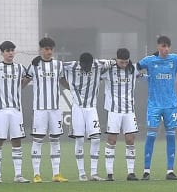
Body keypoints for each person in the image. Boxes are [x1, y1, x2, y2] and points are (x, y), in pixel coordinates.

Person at [137, 35, 177, 180]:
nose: (166, 49)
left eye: (167, 46)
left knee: (171, 137)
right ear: (158, 46)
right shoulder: (149, 61)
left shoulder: (174, 59)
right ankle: (146, 171)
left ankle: (170, 171)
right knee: (151, 136)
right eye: (163, 46)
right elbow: (134, 68)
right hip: (154, 105)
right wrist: (143, 77)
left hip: (170, 105)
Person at [24, 37, 71, 182]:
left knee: (55, 139)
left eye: (51, 49)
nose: (49, 51)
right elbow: (25, 81)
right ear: (41, 50)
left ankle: (56, 174)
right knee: (38, 139)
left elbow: (63, 81)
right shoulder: (34, 65)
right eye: (46, 49)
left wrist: (74, 89)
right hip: (40, 109)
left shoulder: (58, 65)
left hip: (55, 109)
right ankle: (36, 174)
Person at [0, 40, 30, 183]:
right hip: (0, 110)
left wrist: (23, 83)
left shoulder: (20, 68)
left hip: (16, 109)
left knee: (16, 140)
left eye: (12, 50)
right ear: (2, 53)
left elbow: (24, 82)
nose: (10, 53)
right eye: (7, 51)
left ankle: (18, 175)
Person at [63, 52, 107, 181]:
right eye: (84, 66)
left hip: (91, 107)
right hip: (77, 107)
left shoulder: (98, 65)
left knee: (96, 138)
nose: (86, 68)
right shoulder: (71, 66)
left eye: (88, 66)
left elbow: (115, 62)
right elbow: (56, 65)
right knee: (80, 140)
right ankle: (81, 173)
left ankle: (93, 173)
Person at [100, 49, 141, 180]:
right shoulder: (108, 70)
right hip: (114, 111)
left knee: (130, 139)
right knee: (112, 140)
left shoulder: (133, 70)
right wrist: (107, 63)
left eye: (126, 62)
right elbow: (94, 69)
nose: (124, 64)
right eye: (121, 62)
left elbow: (147, 64)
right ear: (116, 59)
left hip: (129, 111)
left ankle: (131, 172)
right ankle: (109, 173)